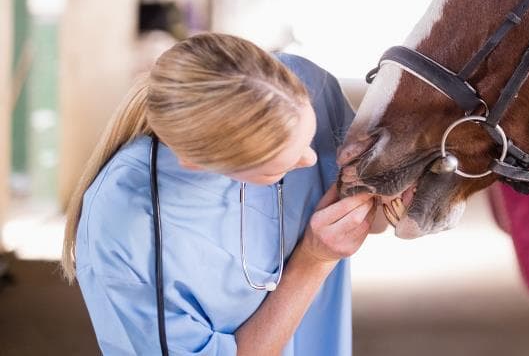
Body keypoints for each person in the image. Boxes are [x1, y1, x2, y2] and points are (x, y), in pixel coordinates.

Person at [61, 32, 374, 355]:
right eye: (275, 168)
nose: (310, 160)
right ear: (199, 164)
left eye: (309, 137)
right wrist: (313, 260)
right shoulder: (126, 228)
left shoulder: (307, 83)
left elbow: (378, 217)